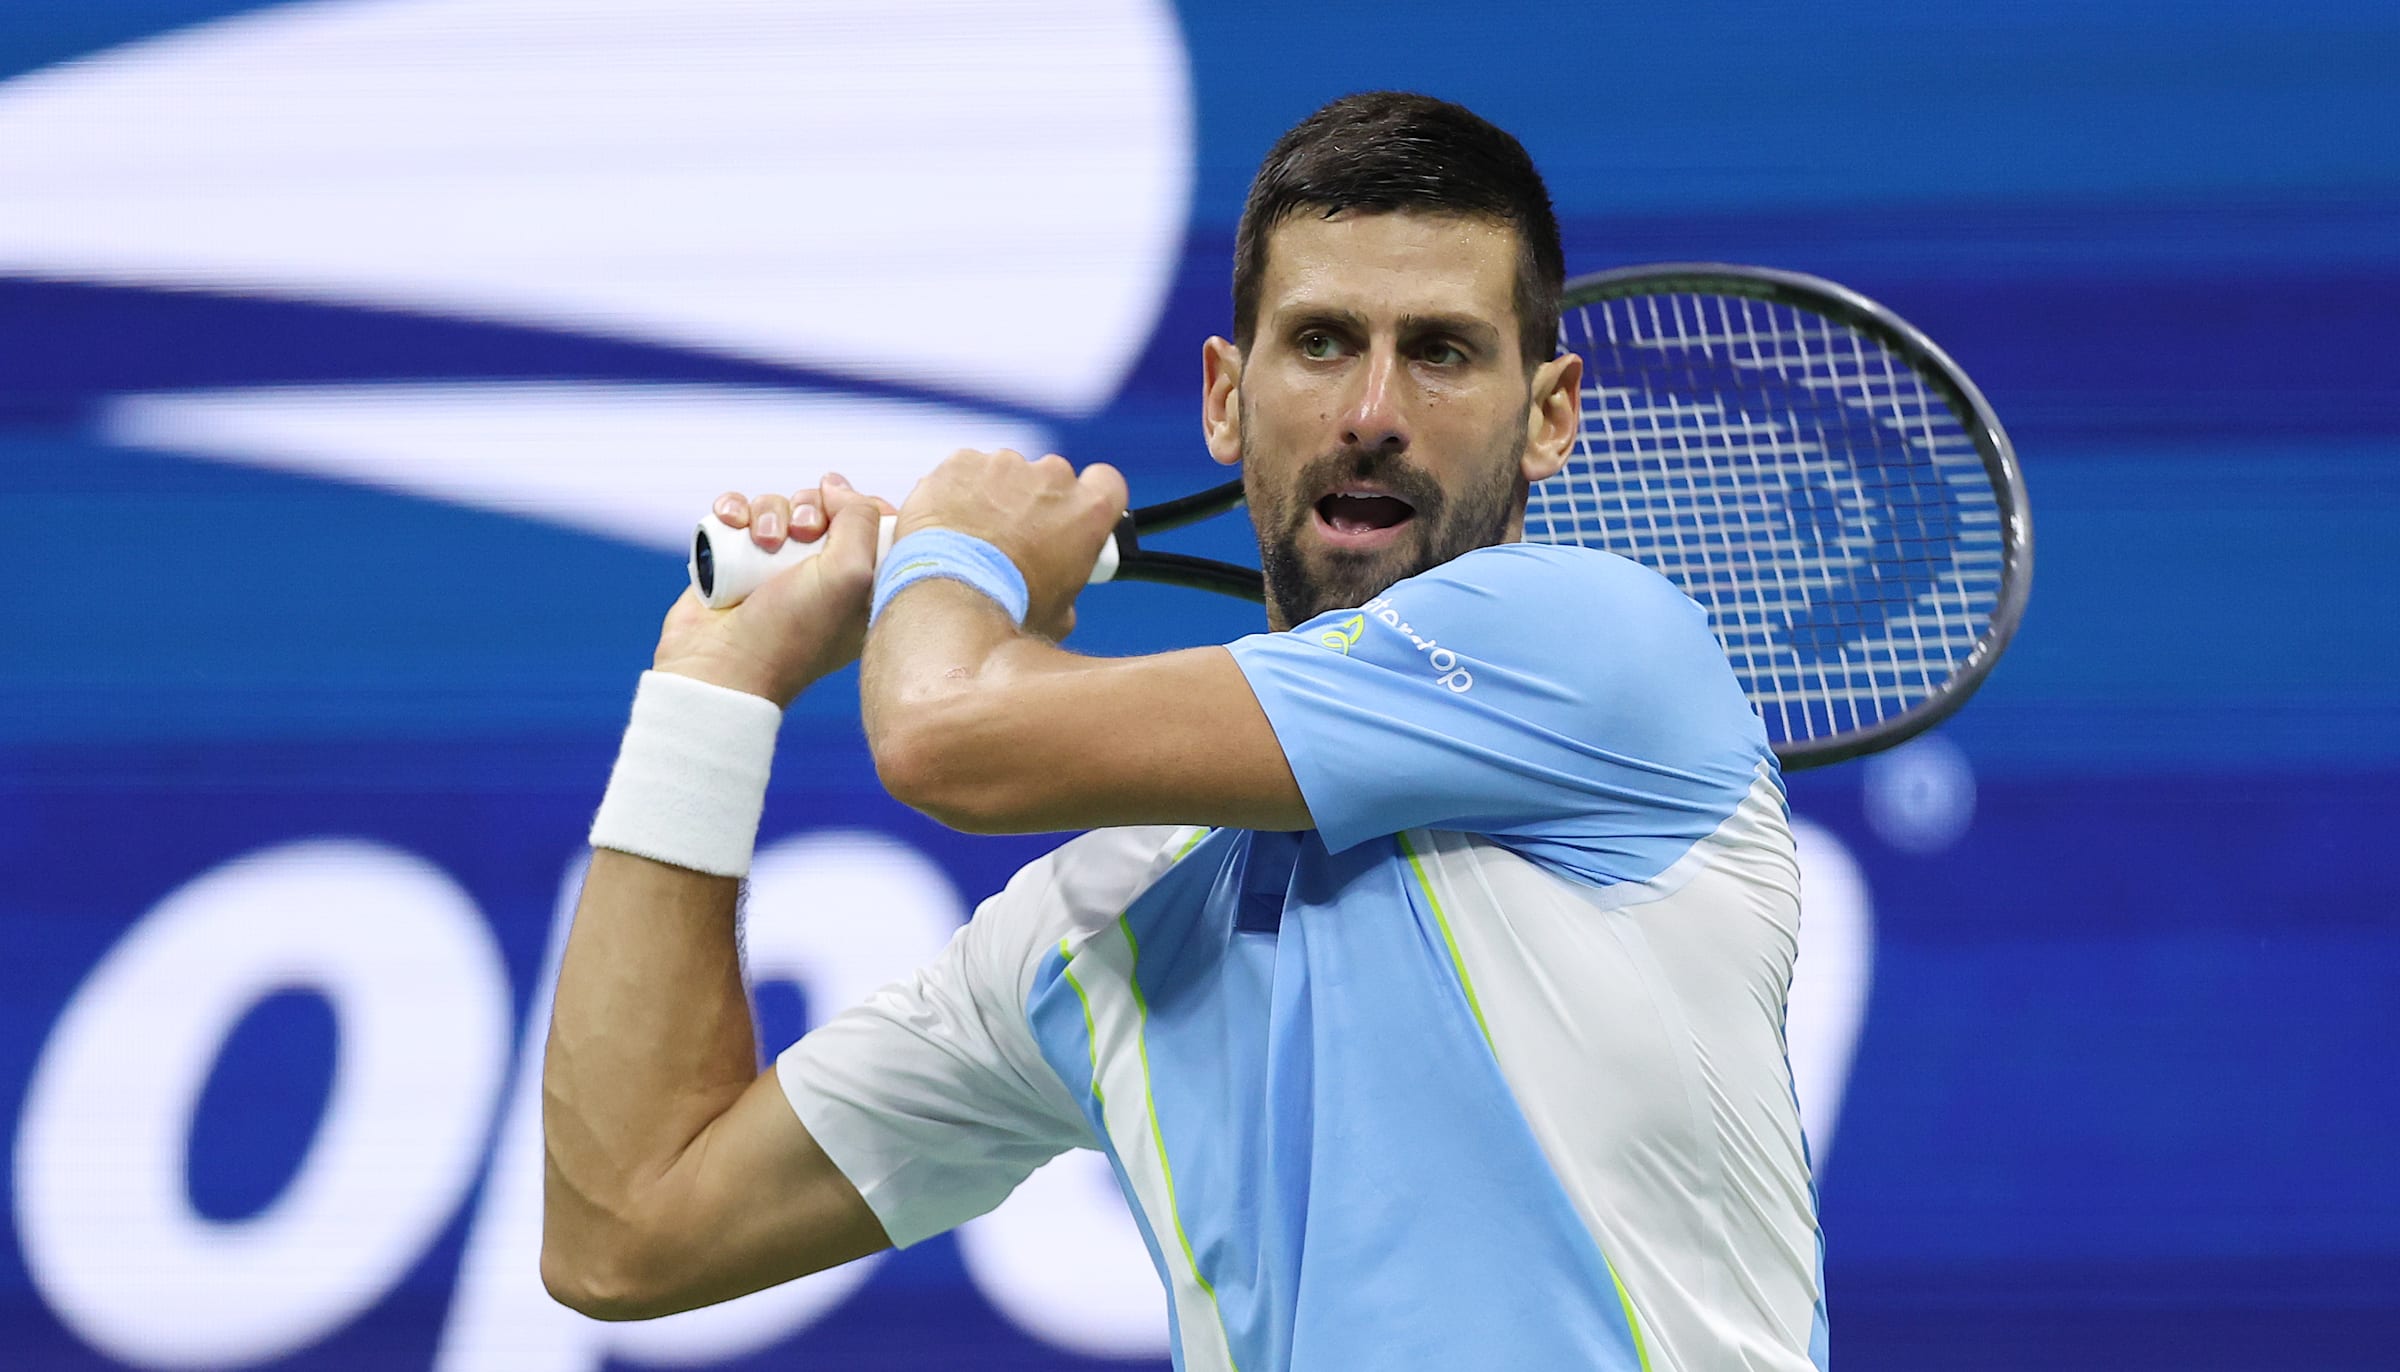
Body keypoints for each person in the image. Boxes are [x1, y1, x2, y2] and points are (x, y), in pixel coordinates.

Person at [542, 92, 1825, 1371]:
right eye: (1321, 342)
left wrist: (955, 554)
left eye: (1441, 350)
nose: (1373, 408)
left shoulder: (1595, 645)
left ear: (1548, 416)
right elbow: (627, 1229)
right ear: (1225, 395)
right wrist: (712, 688)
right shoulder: (1105, 909)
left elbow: (941, 731)